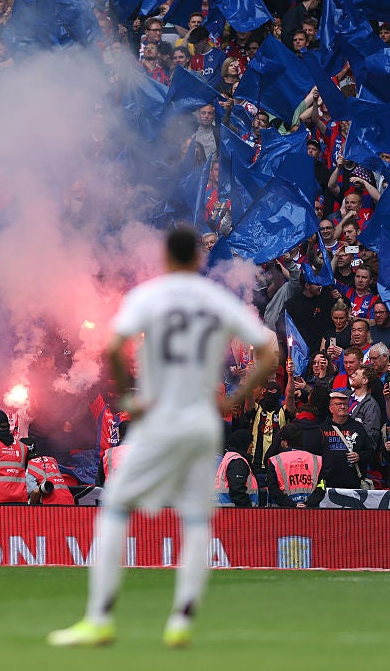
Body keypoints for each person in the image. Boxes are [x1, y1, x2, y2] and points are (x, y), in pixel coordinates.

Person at [49, 228, 276, 649]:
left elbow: (115, 347)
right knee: (194, 516)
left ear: (167, 259)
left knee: (116, 506)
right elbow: (270, 350)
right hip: (202, 421)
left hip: (161, 416)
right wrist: (237, 398)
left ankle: (99, 617)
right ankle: (181, 619)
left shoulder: (148, 297)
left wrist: (130, 399)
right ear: (196, 261)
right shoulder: (215, 300)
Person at [266, 423, 321, 507]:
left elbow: (273, 489)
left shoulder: (276, 461)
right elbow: (322, 486)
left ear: (285, 442)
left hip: (284, 511)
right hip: (311, 511)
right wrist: (308, 504)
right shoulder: (316, 460)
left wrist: (291, 505)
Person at [214, 430, 258, 507]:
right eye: (250, 442)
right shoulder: (237, 461)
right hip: (235, 513)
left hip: (226, 510)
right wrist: (249, 510)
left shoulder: (229, 458)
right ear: (243, 443)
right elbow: (237, 491)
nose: (252, 446)